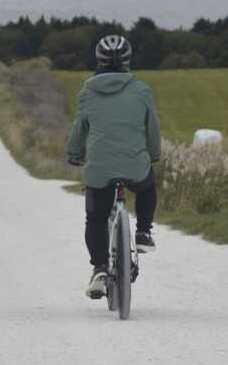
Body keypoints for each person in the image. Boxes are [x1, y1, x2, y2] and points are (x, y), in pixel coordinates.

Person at [65, 34, 161, 299]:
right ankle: (143, 232)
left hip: (99, 168)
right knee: (147, 186)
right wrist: (153, 155)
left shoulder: (87, 91)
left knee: (95, 217)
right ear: (128, 60)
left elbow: (79, 130)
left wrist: (74, 154)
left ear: (99, 60)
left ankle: (99, 268)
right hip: (135, 164)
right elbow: (152, 129)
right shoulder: (142, 90)